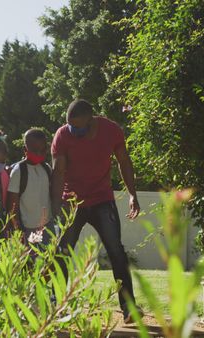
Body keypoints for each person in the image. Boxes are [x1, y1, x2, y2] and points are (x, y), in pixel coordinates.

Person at [51, 99, 141, 323]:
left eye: (78, 127)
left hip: (102, 199)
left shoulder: (111, 131)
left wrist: (132, 194)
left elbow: (124, 161)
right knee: (62, 252)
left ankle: (129, 308)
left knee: (116, 251)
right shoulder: (62, 136)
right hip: (72, 203)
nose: (73, 131)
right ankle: (55, 305)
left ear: (91, 121)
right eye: (70, 125)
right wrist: (55, 208)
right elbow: (58, 173)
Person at [7, 129, 56, 250]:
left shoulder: (46, 168)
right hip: (28, 228)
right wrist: (18, 230)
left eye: (42, 150)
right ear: (25, 150)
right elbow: (12, 204)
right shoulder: (19, 171)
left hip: (47, 226)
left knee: (49, 262)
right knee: (32, 263)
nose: (39, 154)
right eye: (35, 151)